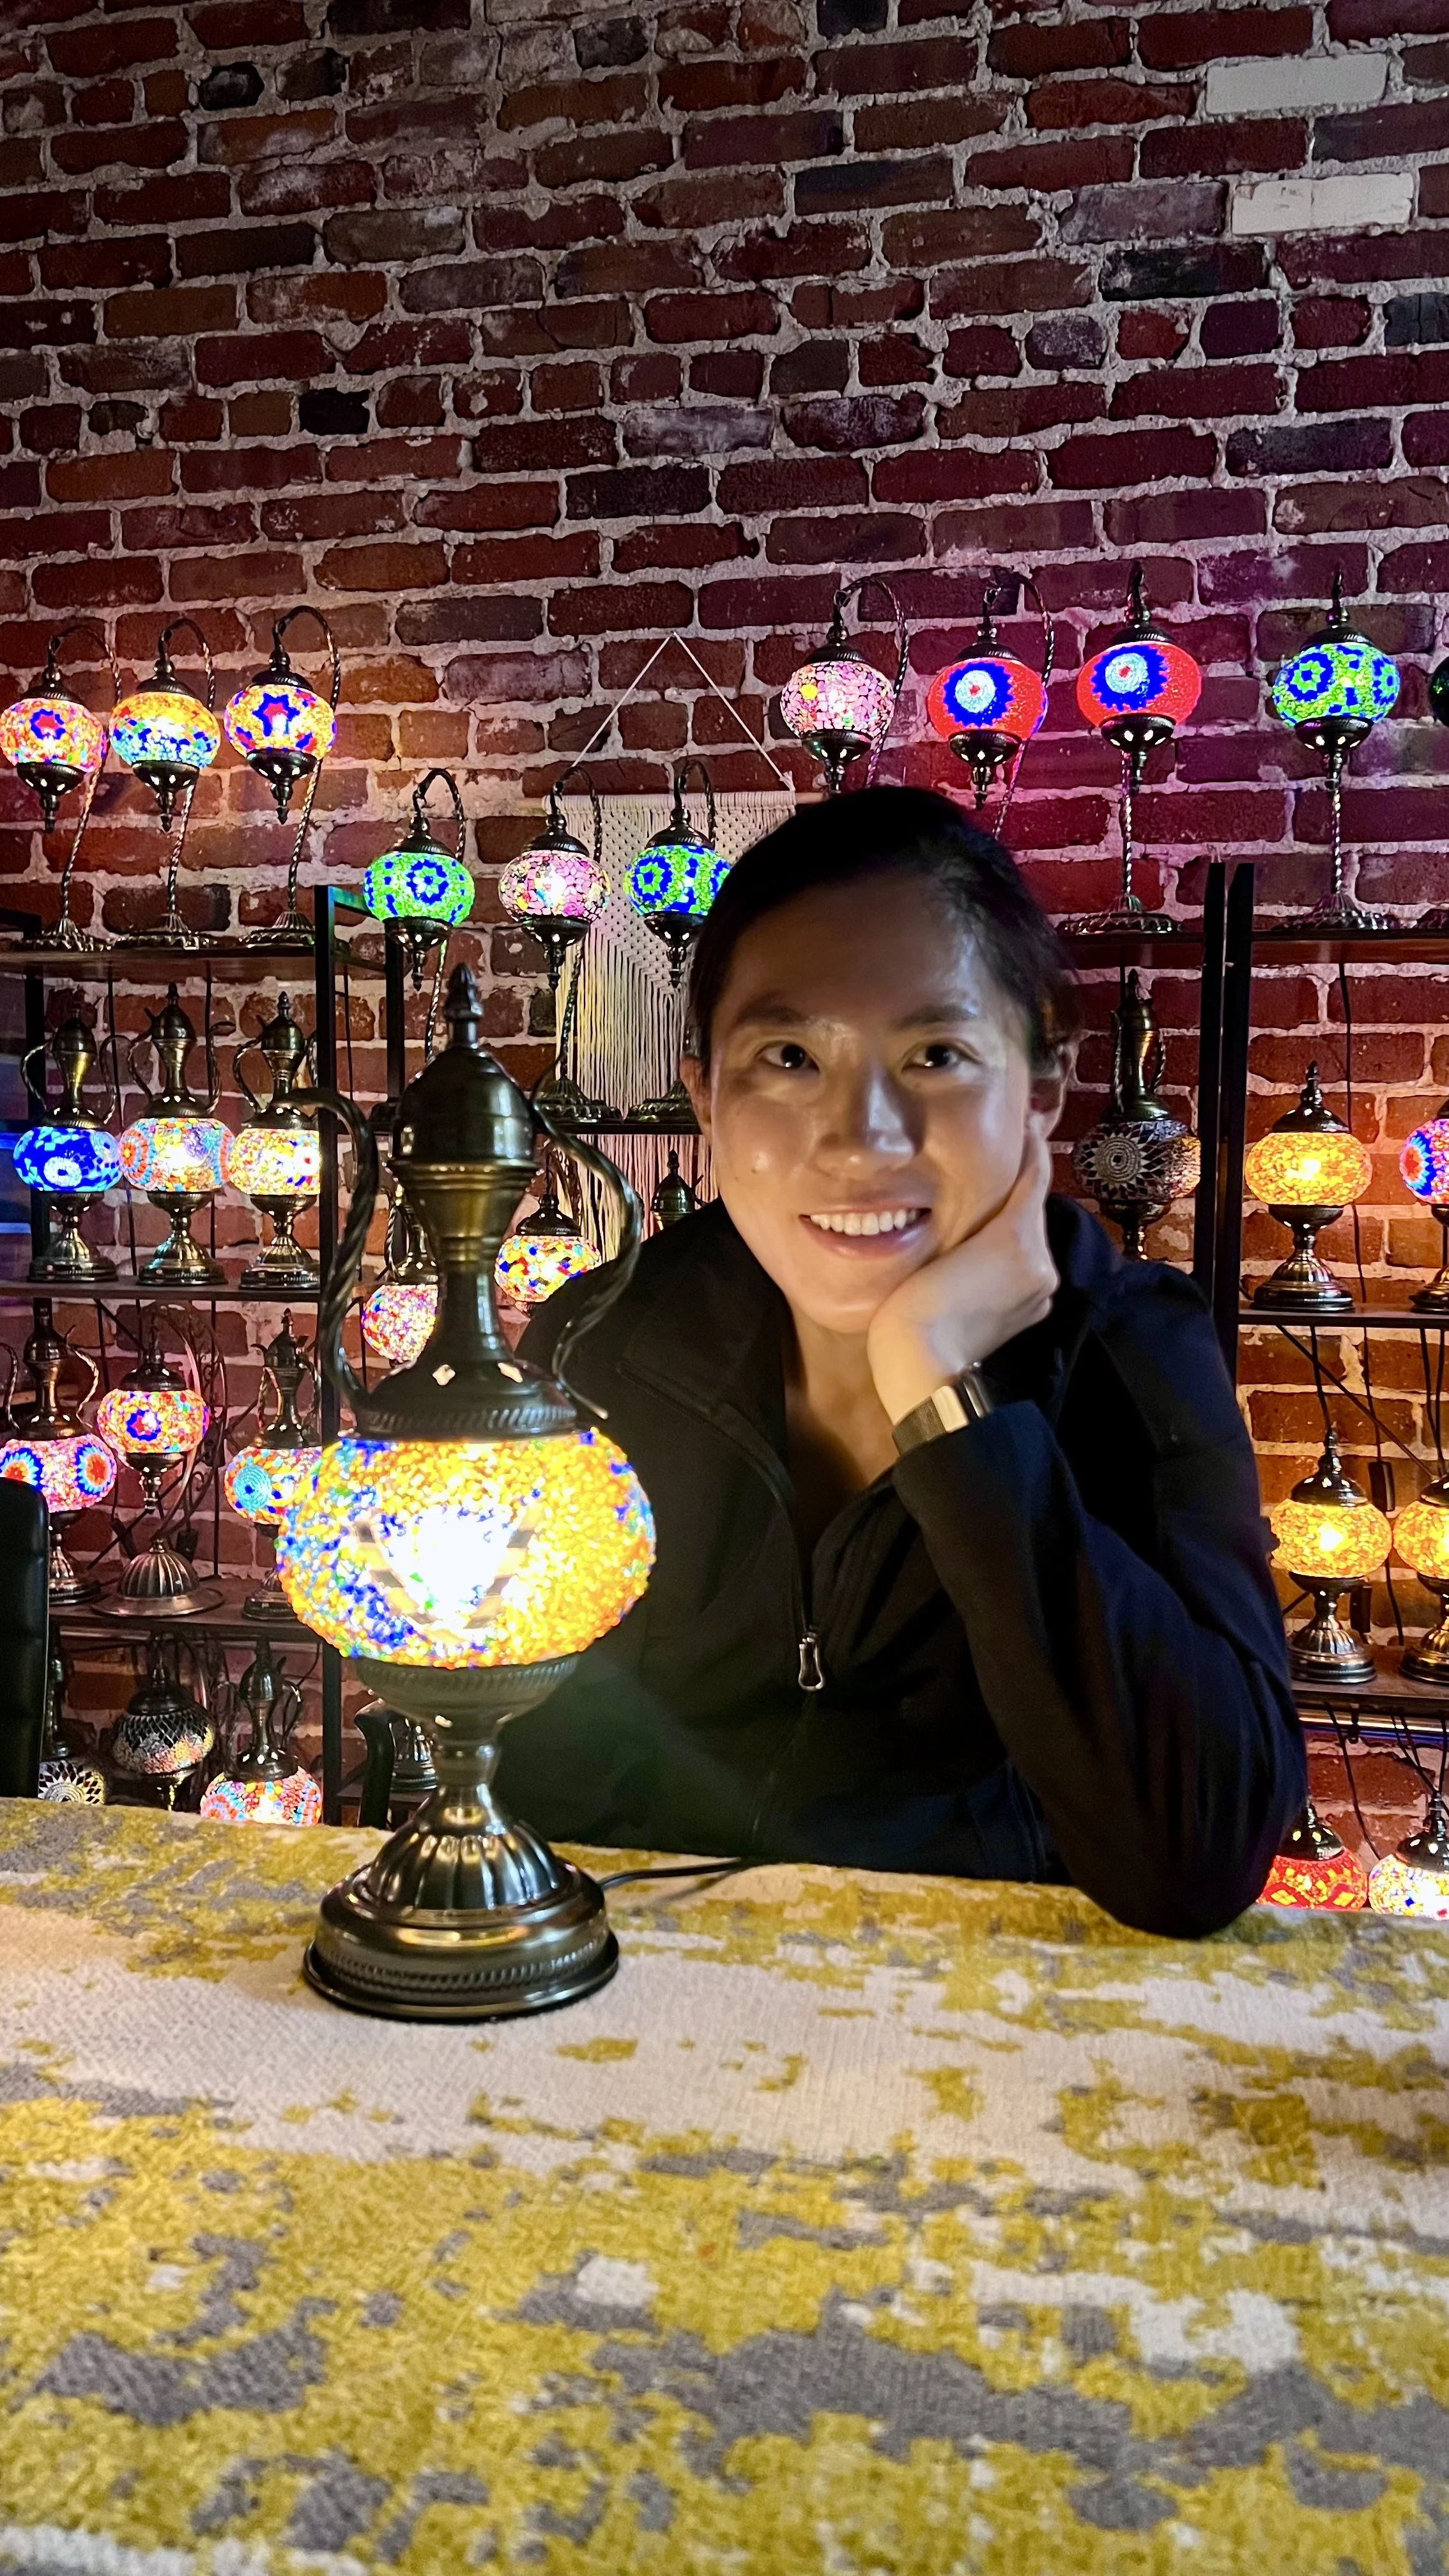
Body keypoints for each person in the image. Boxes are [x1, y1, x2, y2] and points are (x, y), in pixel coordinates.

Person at [500, 786, 1303, 1936]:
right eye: (788, 1055)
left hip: (983, 2018)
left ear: (1043, 1089)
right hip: (634, 1995)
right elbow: (522, 1766)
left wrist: (940, 1384)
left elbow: (1201, 1851)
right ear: (705, 1099)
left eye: (935, 1053)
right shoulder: (604, 1340)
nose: (862, 1137)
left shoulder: (1133, 1350)